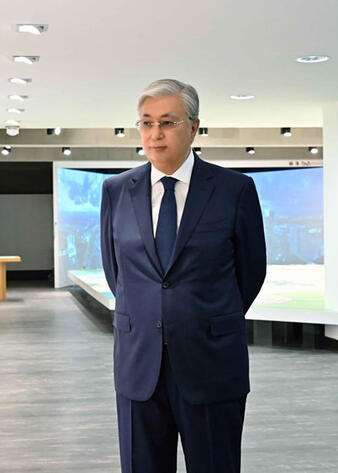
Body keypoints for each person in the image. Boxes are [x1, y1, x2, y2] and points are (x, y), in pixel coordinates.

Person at [100, 79, 266, 473]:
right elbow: (115, 271)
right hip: (139, 363)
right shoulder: (117, 191)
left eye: (167, 122)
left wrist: (201, 316)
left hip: (211, 364)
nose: (154, 134)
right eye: (146, 123)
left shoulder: (234, 190)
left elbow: (251, 273)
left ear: (193, 127)